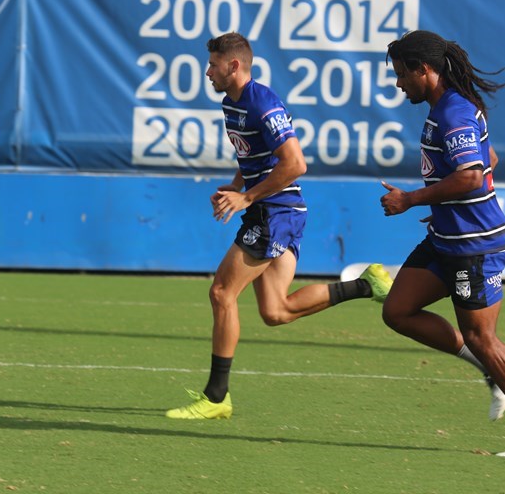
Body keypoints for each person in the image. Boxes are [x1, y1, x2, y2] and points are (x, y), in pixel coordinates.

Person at [166, 32, 393, 419]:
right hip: (273, 211)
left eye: (213, 65)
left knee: (222, 293)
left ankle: (216, 397)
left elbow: (295, 163)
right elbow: (252, 155)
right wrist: (236, 186)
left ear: (233, 66)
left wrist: (248, 197)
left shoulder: (262, 102)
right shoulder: (230, 104)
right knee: (276, 311)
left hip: (276, 212)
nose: (207, 72)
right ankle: (366, 283)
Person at [380, 30, 505, 459]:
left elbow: (471, 175)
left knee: (483, 338)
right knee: (398, 311)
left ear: (424, 70)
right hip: (447, 237)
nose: (399, 83)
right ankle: (491, 372)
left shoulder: (453, 113)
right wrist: (444, 204)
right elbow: (488, 160)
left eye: (402, 74)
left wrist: (412, 198)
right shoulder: (448, 107)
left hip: (473, 247)